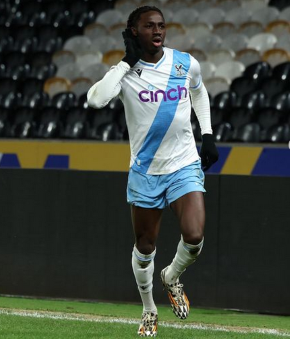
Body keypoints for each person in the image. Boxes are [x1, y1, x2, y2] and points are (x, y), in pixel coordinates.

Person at [87, 5, 219, 337]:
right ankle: (148, 309)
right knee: (145, 247)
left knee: (194, 235)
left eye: (161, 25)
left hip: (183, 164)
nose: (157, 31)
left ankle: (172, 275)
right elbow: (95, 99)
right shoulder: (126, 73)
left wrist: (208, 134)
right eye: (149, 26)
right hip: (146, 171)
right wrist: (126, 63)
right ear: (135, 32)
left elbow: (199, 91)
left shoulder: (184, 63)